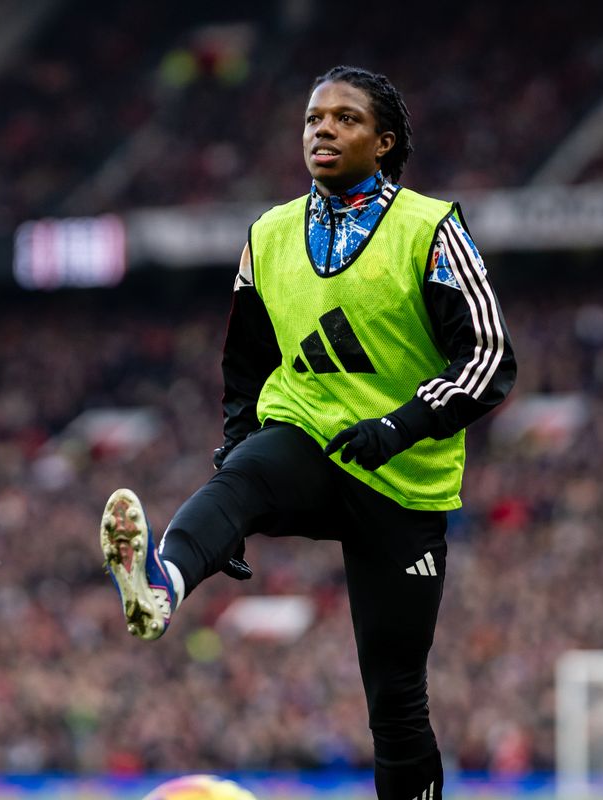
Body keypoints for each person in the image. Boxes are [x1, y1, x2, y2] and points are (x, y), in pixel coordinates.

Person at [100, 65, 517, 800]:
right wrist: (234, 487)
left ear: (385, 142)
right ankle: (160, 584)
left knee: (396, 700)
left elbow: (489, 357)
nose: (322, 129)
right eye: (312, 119)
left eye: (345, 118)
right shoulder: (267, 235)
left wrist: (401, 425)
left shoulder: (431, 228)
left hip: (403, 478)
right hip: (309, 437)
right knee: (245, 474)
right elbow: (246, 369)